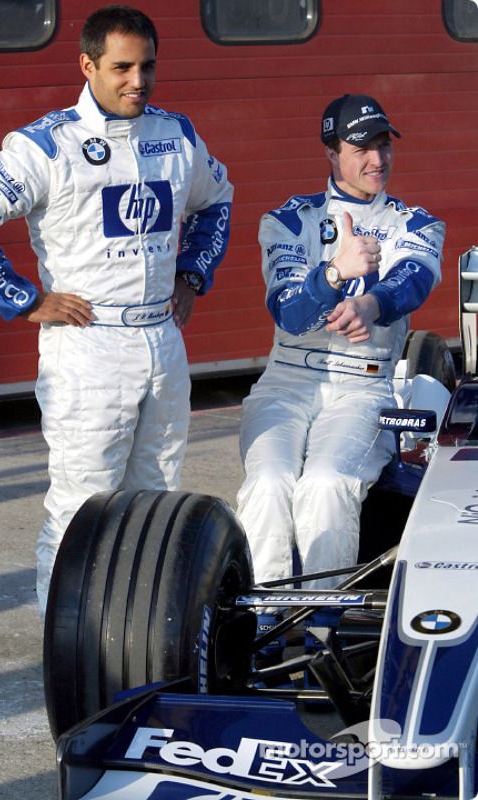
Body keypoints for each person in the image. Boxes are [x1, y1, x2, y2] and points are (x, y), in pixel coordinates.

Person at [0, 5, 233, 614]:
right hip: (88, 345)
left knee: (155, 503)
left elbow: (218, 199)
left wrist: (192, 273)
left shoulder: (176, 136)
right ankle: (69, 652)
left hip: (161, 339)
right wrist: (26, 299)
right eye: (122, 67)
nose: (138, 81)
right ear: (87, 65)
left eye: (148, 67)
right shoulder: (45, 144)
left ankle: (139, 639)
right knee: (82, 508)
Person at [236, 93, 444, 597]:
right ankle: (265, 624)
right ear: (331, 153)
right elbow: (289, 311)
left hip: (362, 387)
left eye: (383, 144)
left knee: (326, 484)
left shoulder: (415, 223)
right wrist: (334, 273)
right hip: (286, 383)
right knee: (268, 488)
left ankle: (319, 629)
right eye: (361, 147)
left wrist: (368, 304)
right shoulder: (288, 221)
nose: (378, 159)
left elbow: (412, 280)